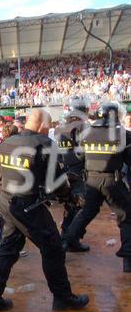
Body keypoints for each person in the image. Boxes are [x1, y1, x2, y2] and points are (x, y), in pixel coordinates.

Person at [0, 109, 89, 312]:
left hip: (7, 201)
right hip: (28, 205)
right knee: (53, 248)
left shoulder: (6, 142)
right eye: (48, 126)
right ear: (42, 125)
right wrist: (71, 198)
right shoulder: (44, 143)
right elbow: (57, 182)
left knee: (8, 249)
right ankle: (63, 298)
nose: (49, 129)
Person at [62, 102, 131, 273]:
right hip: (112, 181)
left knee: (86, 212)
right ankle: (128, 259)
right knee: (126, 217)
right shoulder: (123, 134)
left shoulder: (87, 133)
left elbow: (79, 156)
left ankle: (65, 243)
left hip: (91, 180)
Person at [53, 99, 90, 252]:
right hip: (79, 170)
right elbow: (82, 152)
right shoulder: (82, 127)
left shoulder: (63, 127)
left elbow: (59, 152)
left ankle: (67, 238)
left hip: (66, 169)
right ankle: (68, 240)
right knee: (80, 206)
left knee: (71, 204)